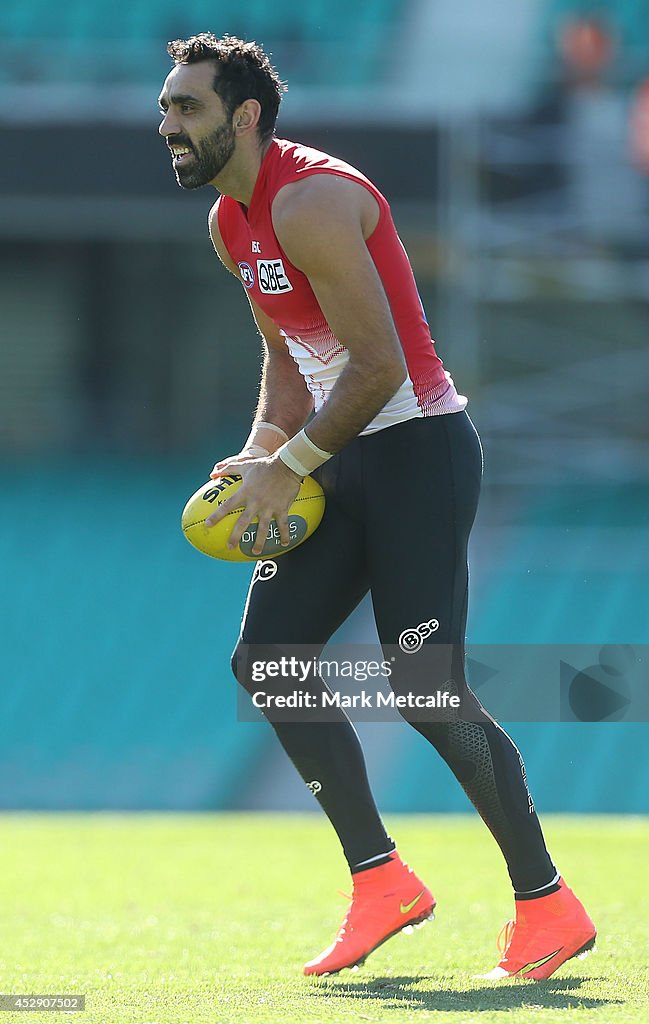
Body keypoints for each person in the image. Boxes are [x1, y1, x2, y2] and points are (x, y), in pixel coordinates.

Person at [158, 33, 596, 980]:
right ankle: (380, 881)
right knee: (268, 663)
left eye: (186, 109)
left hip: (415, 453)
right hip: (339, 455)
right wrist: (262, 451)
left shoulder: (312, 199)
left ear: (244, 117)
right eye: (165, 109)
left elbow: (381, 368)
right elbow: (287, 363)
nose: (168, 126)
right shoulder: (231, 223)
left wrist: (295, 463)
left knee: (424, 687)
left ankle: (545, 902)